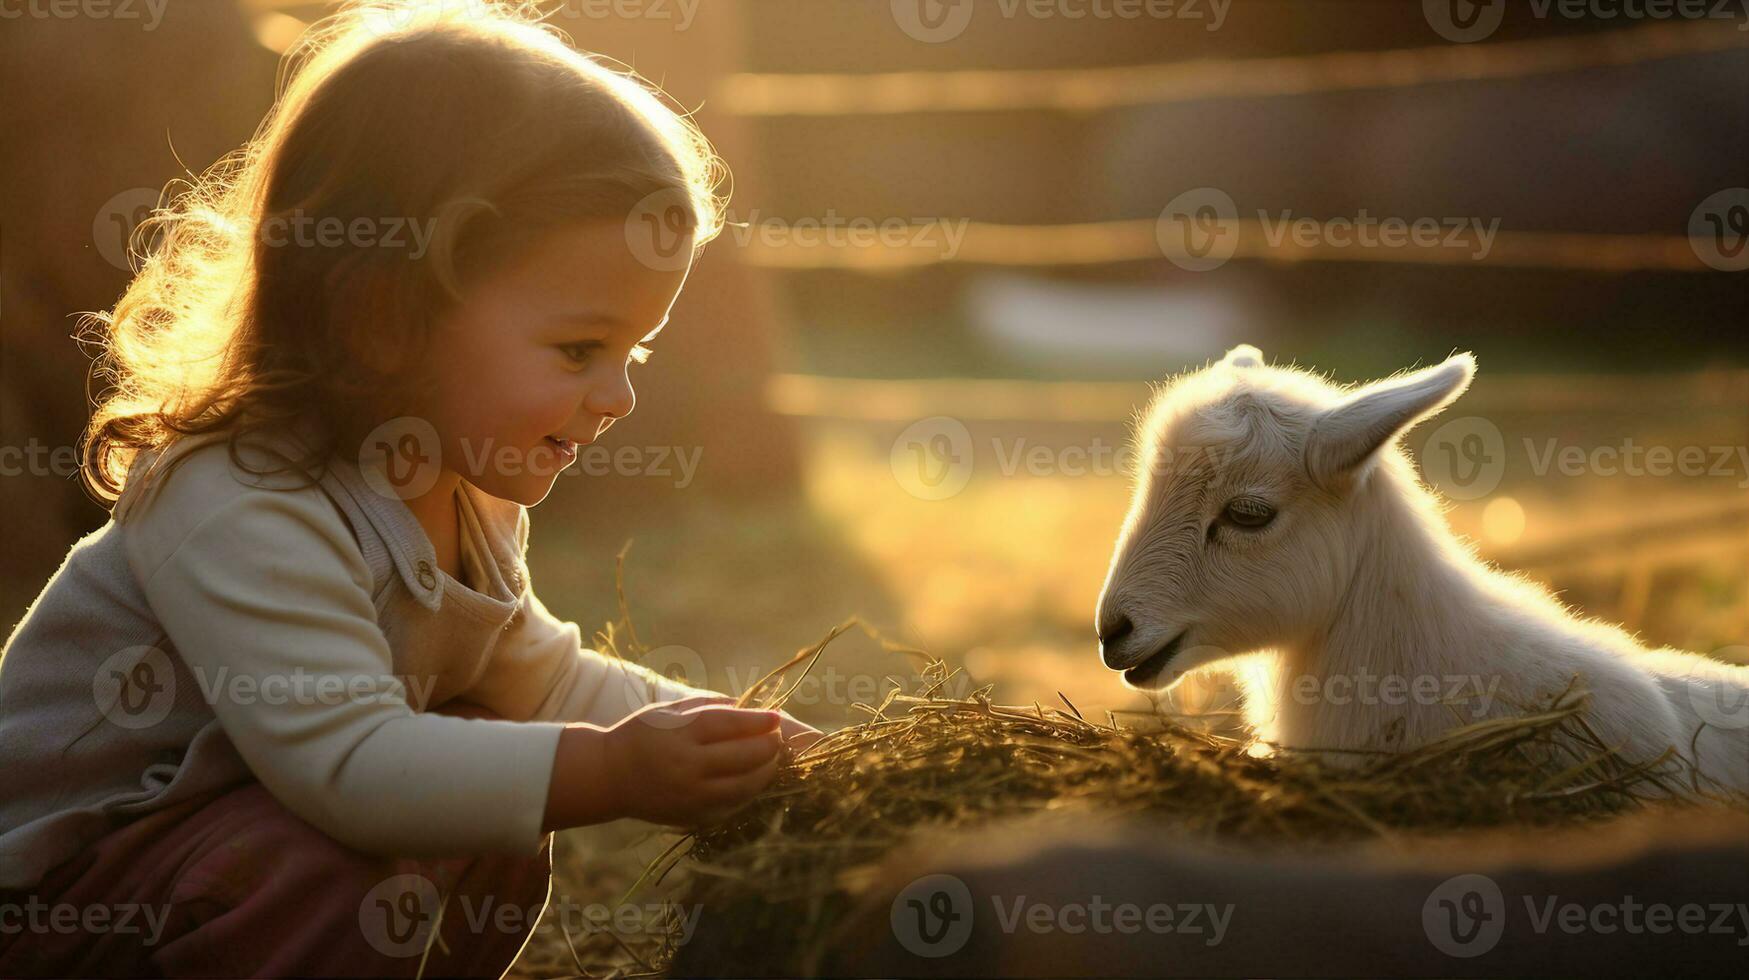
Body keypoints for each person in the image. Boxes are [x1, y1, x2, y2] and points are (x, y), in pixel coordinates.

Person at [0, 2, 819, 975]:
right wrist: (613, 769)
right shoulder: (238, 493)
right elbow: (347, 765)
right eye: (579, 347)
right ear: (383, 317)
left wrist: (749, 741)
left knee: (484, 758)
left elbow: (546, 682)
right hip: (66, 901)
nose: (620, 393)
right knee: (331, 846)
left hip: (215, 852)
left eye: (633, 348)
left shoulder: (456, 494)